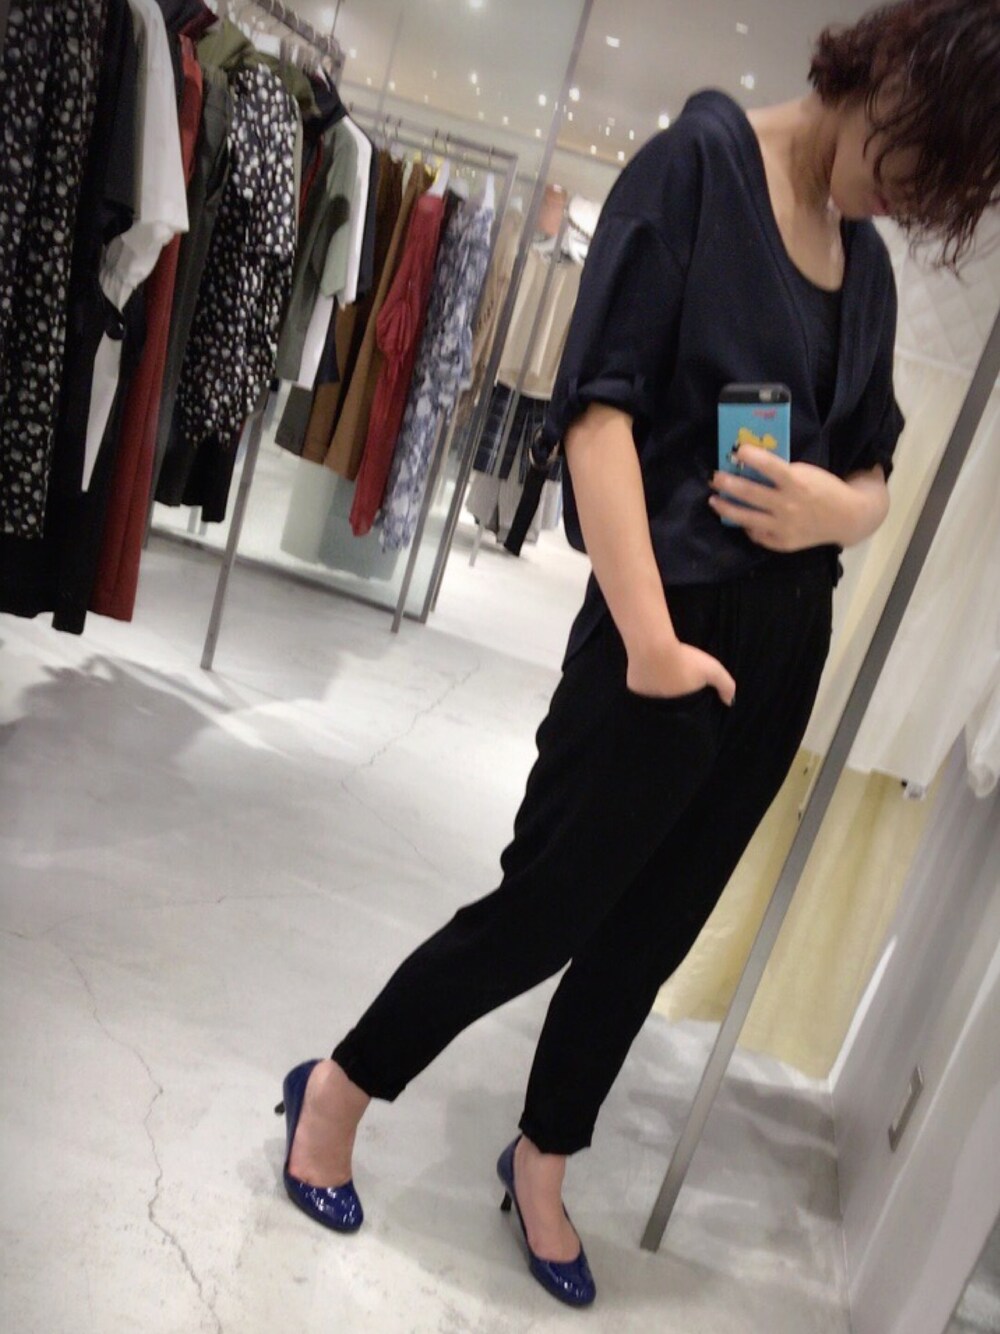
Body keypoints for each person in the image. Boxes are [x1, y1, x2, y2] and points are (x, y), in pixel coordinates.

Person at [276, 0, 1000, 1308]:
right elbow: (596, 415)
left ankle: (543, 1157)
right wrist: (654, 644)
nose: (902, 199)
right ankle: (338, 1085)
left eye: (935, 191)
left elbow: (877, 469)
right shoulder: (697, 168)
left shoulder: (868, 263)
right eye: (912, 159)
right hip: (658, 631)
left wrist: (835, 510)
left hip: (783, 651)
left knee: (651, 933)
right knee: (543, 910)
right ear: (885, 75)